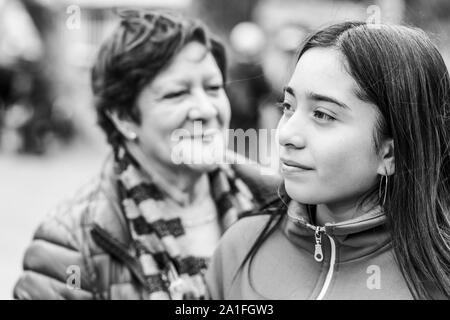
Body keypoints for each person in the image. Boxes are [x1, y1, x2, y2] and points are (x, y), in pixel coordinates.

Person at [13, 10, 280, 300]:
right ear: (124, 117)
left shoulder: (277, 202)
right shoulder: (71, 244)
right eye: (177, 94)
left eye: (214, 88)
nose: (206, 109)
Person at [205, 21, 450, 300]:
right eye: (288, 106)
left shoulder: (438, 282)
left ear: (390, 153)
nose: (286, 134)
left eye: (322, 114)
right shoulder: (240, 248)